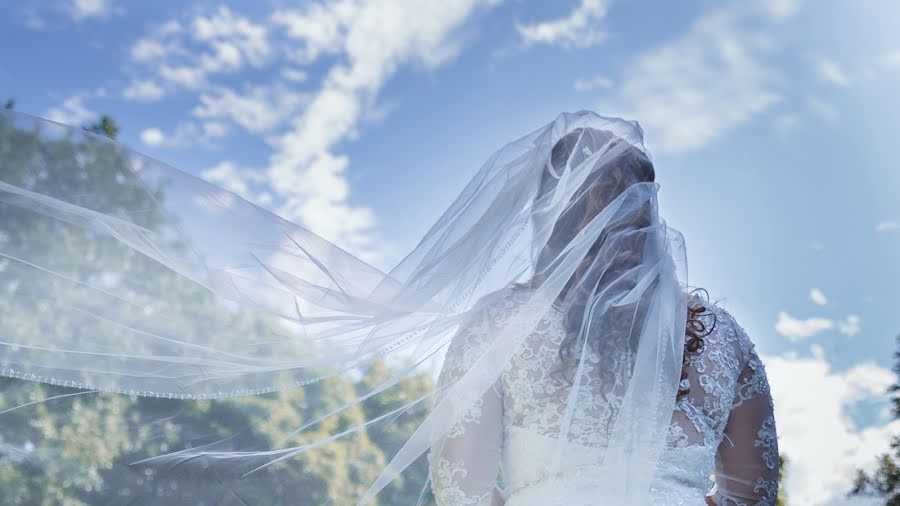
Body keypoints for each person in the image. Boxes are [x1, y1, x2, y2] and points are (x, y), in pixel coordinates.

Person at [0, 109, 777, 505]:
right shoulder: (726, 342)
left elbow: (464, 493)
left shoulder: (495, 331)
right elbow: (752, 492)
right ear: (649, 207)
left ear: (548, 217)